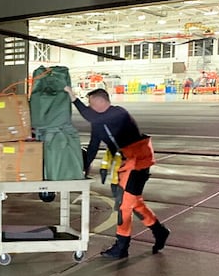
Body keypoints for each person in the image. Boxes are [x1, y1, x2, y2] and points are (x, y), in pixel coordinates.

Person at [64, 86, 170, 259]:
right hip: (128, 162)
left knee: (124, 205)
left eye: (91, 103)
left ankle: (122, 246)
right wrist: (83, 167)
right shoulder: (98, 122)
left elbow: (90, 116)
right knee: (134, 203)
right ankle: (159, 231)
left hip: (138, 160)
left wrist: (74, 99)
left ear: (101, 101)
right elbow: (93, 146)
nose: (90, 107)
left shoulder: (118, 113)